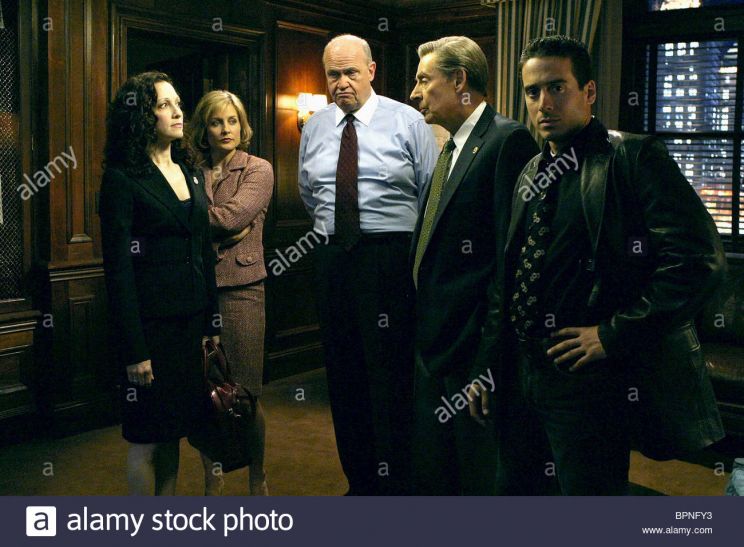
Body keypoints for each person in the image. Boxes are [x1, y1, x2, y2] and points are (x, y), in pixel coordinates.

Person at [468, 35, 726, 495]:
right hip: (519, 373)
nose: (544, 103)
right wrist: (487, 364)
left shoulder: (632, 156)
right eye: (532, 91)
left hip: (588, 383)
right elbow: (506, 280)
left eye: (557, 87)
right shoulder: (530, 171)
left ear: (588, 91)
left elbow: (699, 262)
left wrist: (612, 333)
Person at [298, 34, 438, 495]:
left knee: (390, 375)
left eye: (351, 73)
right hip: (333, 258)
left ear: (371, 71)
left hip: (390, 259)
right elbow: (308, 194)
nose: (341, 83)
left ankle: (398, 485)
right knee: (344, 376)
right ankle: (359, 483)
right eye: (333, 75)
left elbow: (431, 193)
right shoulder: (315, 126)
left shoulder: (407, 120)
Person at [408, 36, 537, 495]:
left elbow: (508, 263)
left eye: (424, 79)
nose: (415, 92)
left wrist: (487, 362)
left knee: (478, 481)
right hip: (434, 344)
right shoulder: (449, 147)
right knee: (438, 475)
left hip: (472, 351)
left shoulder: (507, 140)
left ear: (459, 80)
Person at [100, 71, 220, 495]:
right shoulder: (122, 178)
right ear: (141, 116)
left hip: (190, 327)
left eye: (178, 103)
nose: (177, 111)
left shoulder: (190, 171)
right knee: (147, 437)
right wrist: (135, 351)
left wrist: (212, 322)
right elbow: (118, 271)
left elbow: (203, 251)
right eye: (164, 104)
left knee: (176, 431)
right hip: (151, 332)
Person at [189, 90, 274, 496]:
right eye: (216, 122)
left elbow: (232, 217)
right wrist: (214, 230)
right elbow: (215, 224)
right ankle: (213, 477)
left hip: (243, 291)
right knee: (203, 393)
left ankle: (258, 476)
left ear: (243, 125)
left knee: (245, 393)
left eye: (232, 121)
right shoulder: (190, 171)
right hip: (197, 292)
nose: (226, 129)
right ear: (203, 130)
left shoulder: (258, 169)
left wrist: (195, 226)